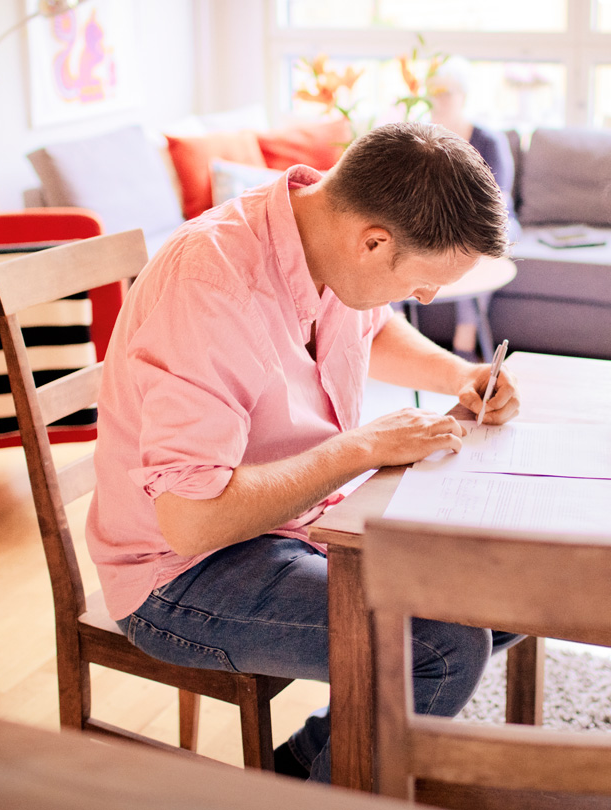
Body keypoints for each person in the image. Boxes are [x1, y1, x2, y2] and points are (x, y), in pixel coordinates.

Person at [86, 122, 521, 784]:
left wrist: (460, 375)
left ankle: (307, 768)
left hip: (296, 525)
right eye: (423, 281)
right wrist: (359, 449)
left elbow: (371, 327)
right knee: (443, 648)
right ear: (373, 242)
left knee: (507, 591)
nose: (427, 297)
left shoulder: (323, 237)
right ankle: (331, 782)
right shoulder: (212, 286)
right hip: (181, 575)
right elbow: (193, 521)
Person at [426, 57, 521, 358]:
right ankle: (397, 325)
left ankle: (464, 342)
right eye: (435, 92)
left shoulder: (489, 140)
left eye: (447, 93)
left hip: (489, 219)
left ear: (463, 96)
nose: (440, 100)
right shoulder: (423, 140)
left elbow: (498, 200)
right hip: (440, 219)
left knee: (476, 246)